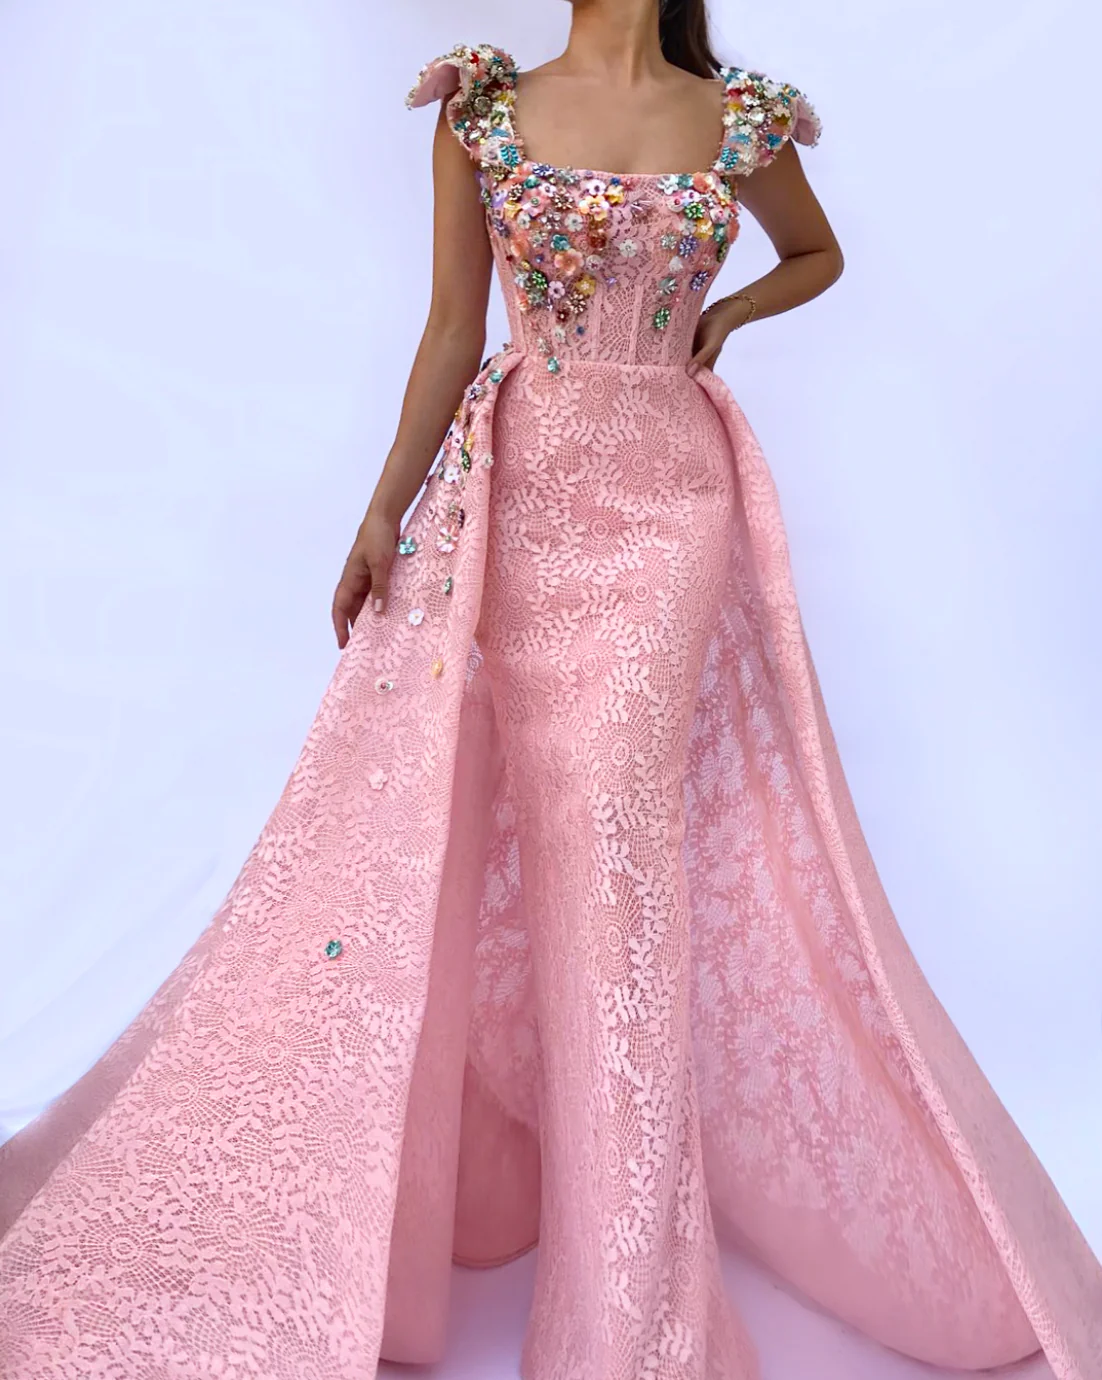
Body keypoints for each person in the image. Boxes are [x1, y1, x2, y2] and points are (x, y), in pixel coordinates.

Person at [1, 2, 1100, 1378]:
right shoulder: (482, 110)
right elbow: (449, 329)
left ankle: (629, 1310)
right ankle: (509, 1178)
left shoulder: (740, 116)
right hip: (523, 495)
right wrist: (382, 513)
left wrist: (730, 314)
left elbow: (818, 252)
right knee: (515, 834)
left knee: (618, 845)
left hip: (669, 506)